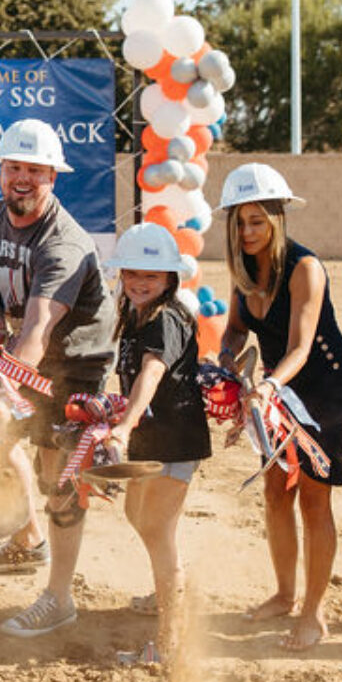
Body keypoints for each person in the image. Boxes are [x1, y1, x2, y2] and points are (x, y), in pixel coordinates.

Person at [0, 118, 114, 639]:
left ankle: (59, 597)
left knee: (60, 480)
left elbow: (40, 328)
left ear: (53, 176)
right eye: (13, 167)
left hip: (73, 367)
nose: (21, 178)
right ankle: (28, 539)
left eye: (34, 169)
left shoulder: (63, 243)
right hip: (21, 354)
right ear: (0, 171)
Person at [216, 163, 342, 651]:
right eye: (240, 221)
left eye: (258, 221)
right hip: (275, 392)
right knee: (276, 492)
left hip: (322, 388)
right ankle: (283, 594)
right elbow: (236, 329)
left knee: (315, 501)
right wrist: (227, 358)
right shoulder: (240, 269)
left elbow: (300, 345)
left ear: (278, 218)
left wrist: (269, 384)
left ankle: (315, 613)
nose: (248, 231)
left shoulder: (305, 268)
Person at [104, 222, 209, 659]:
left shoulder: (165, 318)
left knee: (157, 528)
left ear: (169, 279)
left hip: (176, 438)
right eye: (132, 273)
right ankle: (168, 587)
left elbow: (151, 372)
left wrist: (124, 427)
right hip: (149, 437)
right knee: (137, 514)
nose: (140, 282)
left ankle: (171, 637)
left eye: (151, 275)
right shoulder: (134, 314)